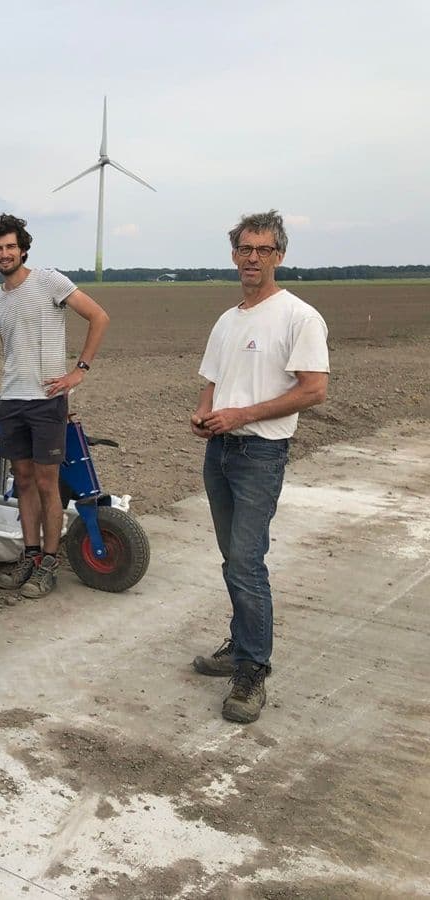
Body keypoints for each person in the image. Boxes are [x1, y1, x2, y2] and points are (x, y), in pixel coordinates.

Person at [190, 210, 329, 724]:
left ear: (279, 256)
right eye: (245, 249)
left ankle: (252, 669)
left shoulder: (299, 317)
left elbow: (314, 390)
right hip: (220, 452)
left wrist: (241, 415)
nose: (253, 258)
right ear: (234, 255)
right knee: (233, 558)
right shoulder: (228, 320)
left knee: (247, 562)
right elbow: (211, 381)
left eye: (263, 250)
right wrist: (204, 414)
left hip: (260, 454)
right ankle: (241, 642)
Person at [0, 213, 110, 599]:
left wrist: (79, 371)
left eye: (10, 246)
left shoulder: (49, 281)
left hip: (46, 401)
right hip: (11, 400)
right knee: (21, 481)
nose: (5, 253)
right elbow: (11, 350)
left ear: (23, 250)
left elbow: (99, 316)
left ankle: (50, 562)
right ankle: (30, 555)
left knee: (46, 483)